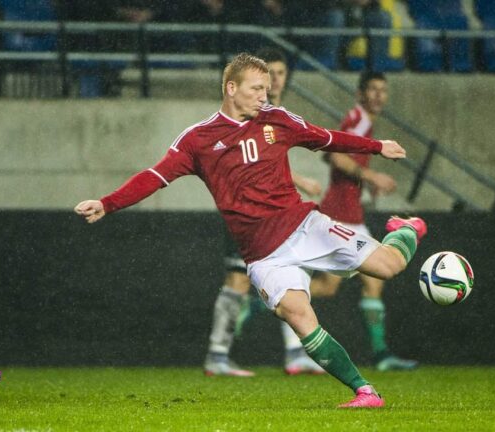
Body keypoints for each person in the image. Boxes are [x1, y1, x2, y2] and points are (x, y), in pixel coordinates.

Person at [75, 52, 427, 408]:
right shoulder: (198, 139)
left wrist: (377, 147)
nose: (264, 95)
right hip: (263, 256)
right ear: (231, 88)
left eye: (267, 88)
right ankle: (365, 392)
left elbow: (325, 138)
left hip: (306, 227)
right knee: (298, 315)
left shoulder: (278, 119)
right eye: (257, 88)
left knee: (390, 266)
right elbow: (155, 176)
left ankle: (406, 228)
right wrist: (108, 203)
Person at [203, 48, 326, 378]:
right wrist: (301, 180)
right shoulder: (248, 112)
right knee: (237, 279)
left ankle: (296, 352)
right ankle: (217, 354)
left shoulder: (275, 113)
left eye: (281, 73)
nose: (276, 80)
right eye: (270, 73)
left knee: (292, 272)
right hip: (246, 210)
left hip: (275, 213)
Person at [310, 70, 418, 372]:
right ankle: (270, 299)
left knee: (368, 282)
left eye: (383, 90)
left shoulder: (362, 121)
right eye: (373, 89)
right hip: (339, 216)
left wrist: (363, 183)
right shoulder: (358, 119)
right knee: (331, 286)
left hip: (350, 215)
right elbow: (336, 156)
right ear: (360, 94)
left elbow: (332, 155)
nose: (379, 95)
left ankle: (381, 355)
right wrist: (371, 176)